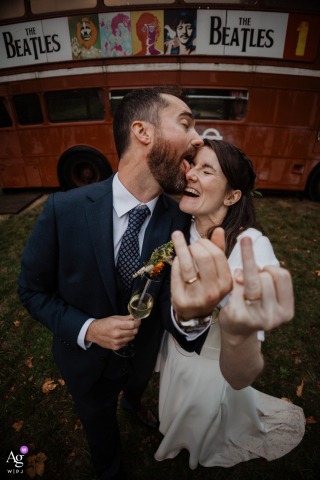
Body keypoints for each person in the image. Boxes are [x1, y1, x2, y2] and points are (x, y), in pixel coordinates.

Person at [17, 87, 230, 480]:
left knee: (135, 389)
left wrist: (193, 316)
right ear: (143, 132)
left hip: (144, 356)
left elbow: (173, 304)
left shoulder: (182, 222)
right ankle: (110, 468)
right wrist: (89, 329)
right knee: (99, 424)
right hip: (84, 364)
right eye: (186, 123)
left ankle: (134, 404)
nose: (199, 139)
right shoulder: (63, 211)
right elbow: (31, 292)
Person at [154, 139, 305, 468]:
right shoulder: (179, 225)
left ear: (232, 196)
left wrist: (240, 327)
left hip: (214, 363)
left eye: (206, 170)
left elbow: (244, 366)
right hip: (177, 347)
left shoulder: (251, 246)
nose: (190, 174)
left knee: (207, 420)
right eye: (193, 165)